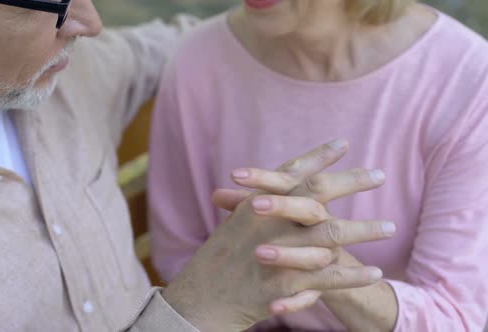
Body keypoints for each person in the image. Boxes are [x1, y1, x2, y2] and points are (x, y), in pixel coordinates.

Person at [0, 0, 396, 331]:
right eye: (54, 2)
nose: (91, 23)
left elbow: (191, 41)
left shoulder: (76, 75)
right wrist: (197, 310)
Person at [148, 0, 488, 331]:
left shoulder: (466, 79)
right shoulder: (198, 60)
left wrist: (319, 261)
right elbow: (180, 259)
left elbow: (453, 318)